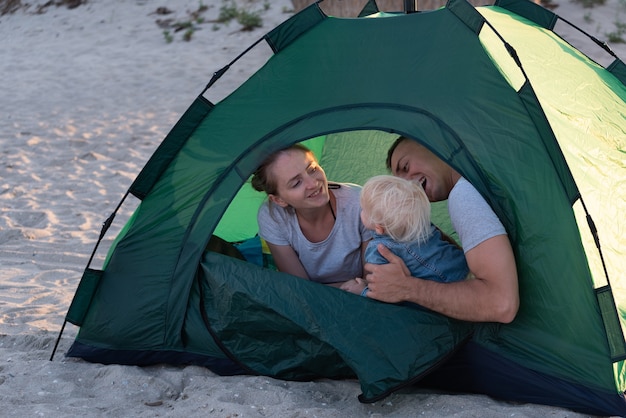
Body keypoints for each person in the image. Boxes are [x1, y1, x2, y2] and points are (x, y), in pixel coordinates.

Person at [363, 136, 519, 323]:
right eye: (400, 181)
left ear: (433, 144)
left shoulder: (463, 195)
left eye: (405, 167)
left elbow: (501, 304)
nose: (408, 184)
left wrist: (407, 287)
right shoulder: (480, 179)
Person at [252, 144, 371, 286]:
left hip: (360, 297)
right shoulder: (273, 217)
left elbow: (371, 280)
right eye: (296, 183)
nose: (313, 183)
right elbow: (300, 288)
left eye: (312, 169)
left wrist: (360, 288)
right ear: (279, 200)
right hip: (311, 300)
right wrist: (344, 288)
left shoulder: (359, 201)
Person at [341, 175, 472, 297]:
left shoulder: (379, 251)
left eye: (364, 209)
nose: (360, 210)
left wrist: (362, 291)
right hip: (468, 271)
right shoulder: (423, 226)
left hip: (444, 293)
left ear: (379, 228)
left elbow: (384, 290)